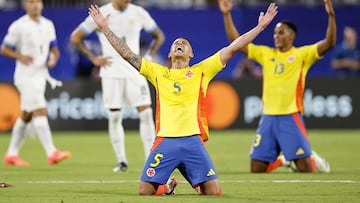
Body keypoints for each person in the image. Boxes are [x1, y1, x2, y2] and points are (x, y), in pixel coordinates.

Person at [88, 2, 278, 195]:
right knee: (144, 191)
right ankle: (168, 185)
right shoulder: (158, 72)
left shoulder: (202, 71)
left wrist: (260, 27)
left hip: (192, 141)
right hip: (165, 141)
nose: (179, 44)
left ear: (191, 54)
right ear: (170, 54)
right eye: (176, 43)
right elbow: (127, 54)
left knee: (213, 192)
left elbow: (234, 47)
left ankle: (194, 179)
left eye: (184, 43)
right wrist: (105, 28)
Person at [218, 0, 336, 173]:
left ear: (291, 36)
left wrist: (331, 16)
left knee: (305, 169)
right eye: (275, 33)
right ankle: (283, 160)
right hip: (268, 117)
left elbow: (329, 43)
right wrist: (227, 14)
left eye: (281, 32)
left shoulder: (302, 55)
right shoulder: (266, 54)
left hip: (290, 115)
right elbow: (236, 43)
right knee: (256, 169)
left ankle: (310, 158)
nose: (276, 36)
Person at [70, 0, 165, 173]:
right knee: (114, 116)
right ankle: (122, 161)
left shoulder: (139, 12)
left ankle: (150, 158)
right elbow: (75, 37)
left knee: (145, 114)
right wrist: (93, 58)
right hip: (111, 73)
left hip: (135, 72)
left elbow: (159, 35)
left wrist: (149, 57)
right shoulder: (102, 13)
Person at [1, 0, 71, 166]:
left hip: (40, 75)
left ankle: (11, 155)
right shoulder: (19, 26)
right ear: (26, 6)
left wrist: (54, 58)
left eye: (38, 2)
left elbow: (54, 48)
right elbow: (4, 48)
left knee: (26, 114)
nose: (35, 5)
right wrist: (21, 57)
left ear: (42, 5)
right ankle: (51, 152)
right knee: (40, 109)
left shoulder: (48, 25)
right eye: (31, 2)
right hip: (25, 76)